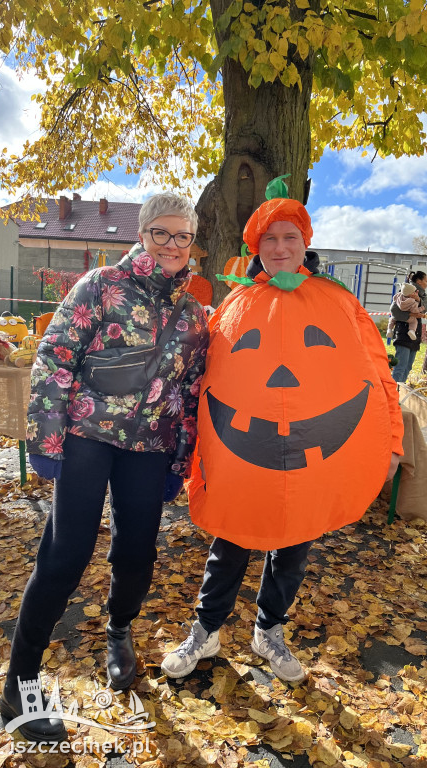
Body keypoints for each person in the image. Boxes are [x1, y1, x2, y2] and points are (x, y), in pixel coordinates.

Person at [161, 176, 404, 684]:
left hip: (314, 449)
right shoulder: (234, 305)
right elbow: (204, 380)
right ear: (256, 247)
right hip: (244, 451)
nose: (280, 247)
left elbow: (379, 375)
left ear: (305, 242)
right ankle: (206, 630)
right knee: (230, 543)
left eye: (289, 237)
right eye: (269, 239)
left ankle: (269, 629)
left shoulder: (339, 303)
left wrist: (392, 443)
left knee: (293, 547)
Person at [0, 193, 209, 742]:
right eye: (161, 233)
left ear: (192, 243)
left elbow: (190, 391)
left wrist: (179, 458)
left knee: (138, 551)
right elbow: (55, 355)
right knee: (66, 552)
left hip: (149, 446)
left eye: (181, 236)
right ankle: (19, 682)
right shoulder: (98, 286)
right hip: (87, 435)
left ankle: (120, 631)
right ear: (142, 234)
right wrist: (46, 438)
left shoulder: (193, 315)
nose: (171, 245)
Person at [391, 270, 427, 383]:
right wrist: (412, 315)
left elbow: (425, 307)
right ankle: (392, 396)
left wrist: (419, 301)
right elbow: (394, 311)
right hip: (403, 333)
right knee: (400, 367)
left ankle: (399, 395)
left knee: (407, 367)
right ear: (419, 281)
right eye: (426, 280)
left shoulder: (422, 296)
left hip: (414, 335)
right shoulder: (406, 291)